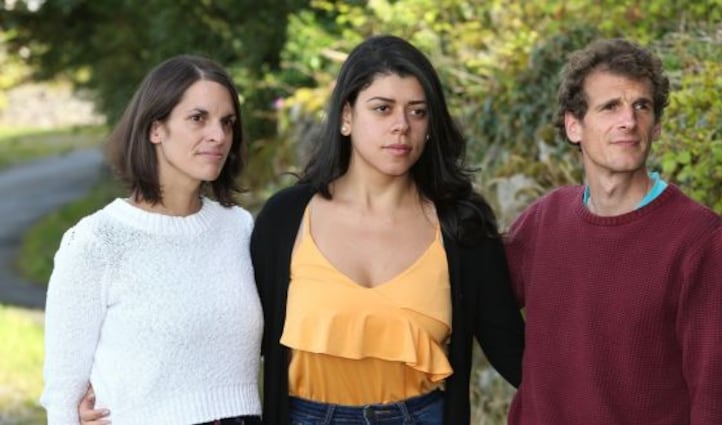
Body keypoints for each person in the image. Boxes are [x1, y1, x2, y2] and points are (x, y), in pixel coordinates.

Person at [249, 34, 525, 424]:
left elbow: (517, 355)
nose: (401, 126)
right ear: (346, 116)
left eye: (417, 112)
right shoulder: (285, 219)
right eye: (382, 109)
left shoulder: (462, 226)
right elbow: (236, 346)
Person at [504, 38, 722, 424]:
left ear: (655, 125)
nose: (629, 121)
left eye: (642, 106)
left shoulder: (700, 241)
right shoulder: (543, 220)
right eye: (610, 107)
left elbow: (719, 397)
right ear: (574, 126)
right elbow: (467, 289)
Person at [40, 54, 264, 425]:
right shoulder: (97, 242)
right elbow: (63, 396)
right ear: (155, 128)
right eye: (198, 119)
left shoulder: (240, 228)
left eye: (227, 123)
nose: (219, 135)